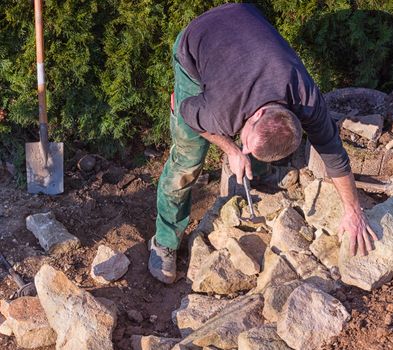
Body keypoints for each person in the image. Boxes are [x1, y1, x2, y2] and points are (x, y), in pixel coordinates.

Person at [149, 3, 378, 284]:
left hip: (246, 24)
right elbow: (187, 112)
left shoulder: (307, 98)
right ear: (256, 115)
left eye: (244, 143)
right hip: (197, 42)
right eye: (245, 141)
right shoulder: (222, 112)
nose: (242, 144)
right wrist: (232, 150)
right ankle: (165, 240)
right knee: (188, 158)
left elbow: (334, 154)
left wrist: (353, 211)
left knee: (257, 145)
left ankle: (258, 178)